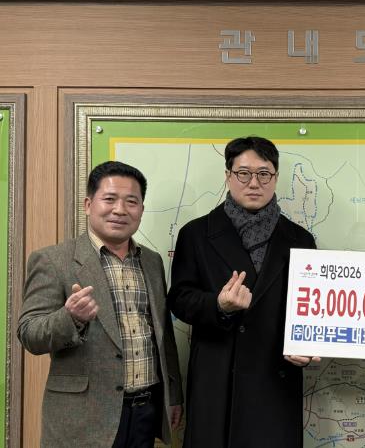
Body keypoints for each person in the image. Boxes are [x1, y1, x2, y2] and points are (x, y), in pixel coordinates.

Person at [17, 161, 183, 447]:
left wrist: (174, 395)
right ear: (88, 204)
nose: (120, 210)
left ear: (141, 209)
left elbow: (163, 334)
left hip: (145, 411)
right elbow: (29, 333)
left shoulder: (152, 261)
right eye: (110, 199)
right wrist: (70, 317)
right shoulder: (53, 260)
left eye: (131, 201)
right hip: (83, 418)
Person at [168, 136, 318, 447]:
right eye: (243, 173)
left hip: (275, 376)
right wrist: (218, 305)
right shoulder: (195, 234)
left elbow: (310, 310)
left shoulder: (300, 239)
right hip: (217, 376)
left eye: (264, 174)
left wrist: (307, 345)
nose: (254, 183)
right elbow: (179, 299)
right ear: (228, 175)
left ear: (275, 177)